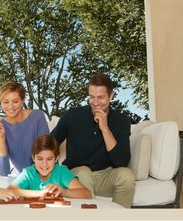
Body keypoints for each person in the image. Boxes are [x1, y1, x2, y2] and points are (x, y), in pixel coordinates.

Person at [50, 73, 135, 208]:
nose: (95, 103)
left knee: (127, 176)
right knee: (83, 172)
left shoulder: (122, 121)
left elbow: (121, 162)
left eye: (100, 97)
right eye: (91, 97)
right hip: (77, 174)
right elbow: (50, 143)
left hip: (104, 175)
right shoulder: (72, 115)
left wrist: (105, 128)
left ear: (111, 95)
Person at [0, 81, 50, 176]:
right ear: (1, 103)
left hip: (42, 174)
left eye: (15, 101)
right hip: (20, 177)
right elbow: (3, 171)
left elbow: (46, 155)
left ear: (22, 101)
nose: (10, 106)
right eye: (6, 102)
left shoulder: (37, 116)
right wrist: (1, 138)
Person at [8, 135, 92, 200]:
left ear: (56, 158)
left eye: (49, 159)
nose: (44, 164)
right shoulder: (28, 173)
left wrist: (65, 192)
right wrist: (40, 193)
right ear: (33, 158)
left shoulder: (61, 172)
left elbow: (87, 194)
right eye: (40, 159)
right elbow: (9, 191)